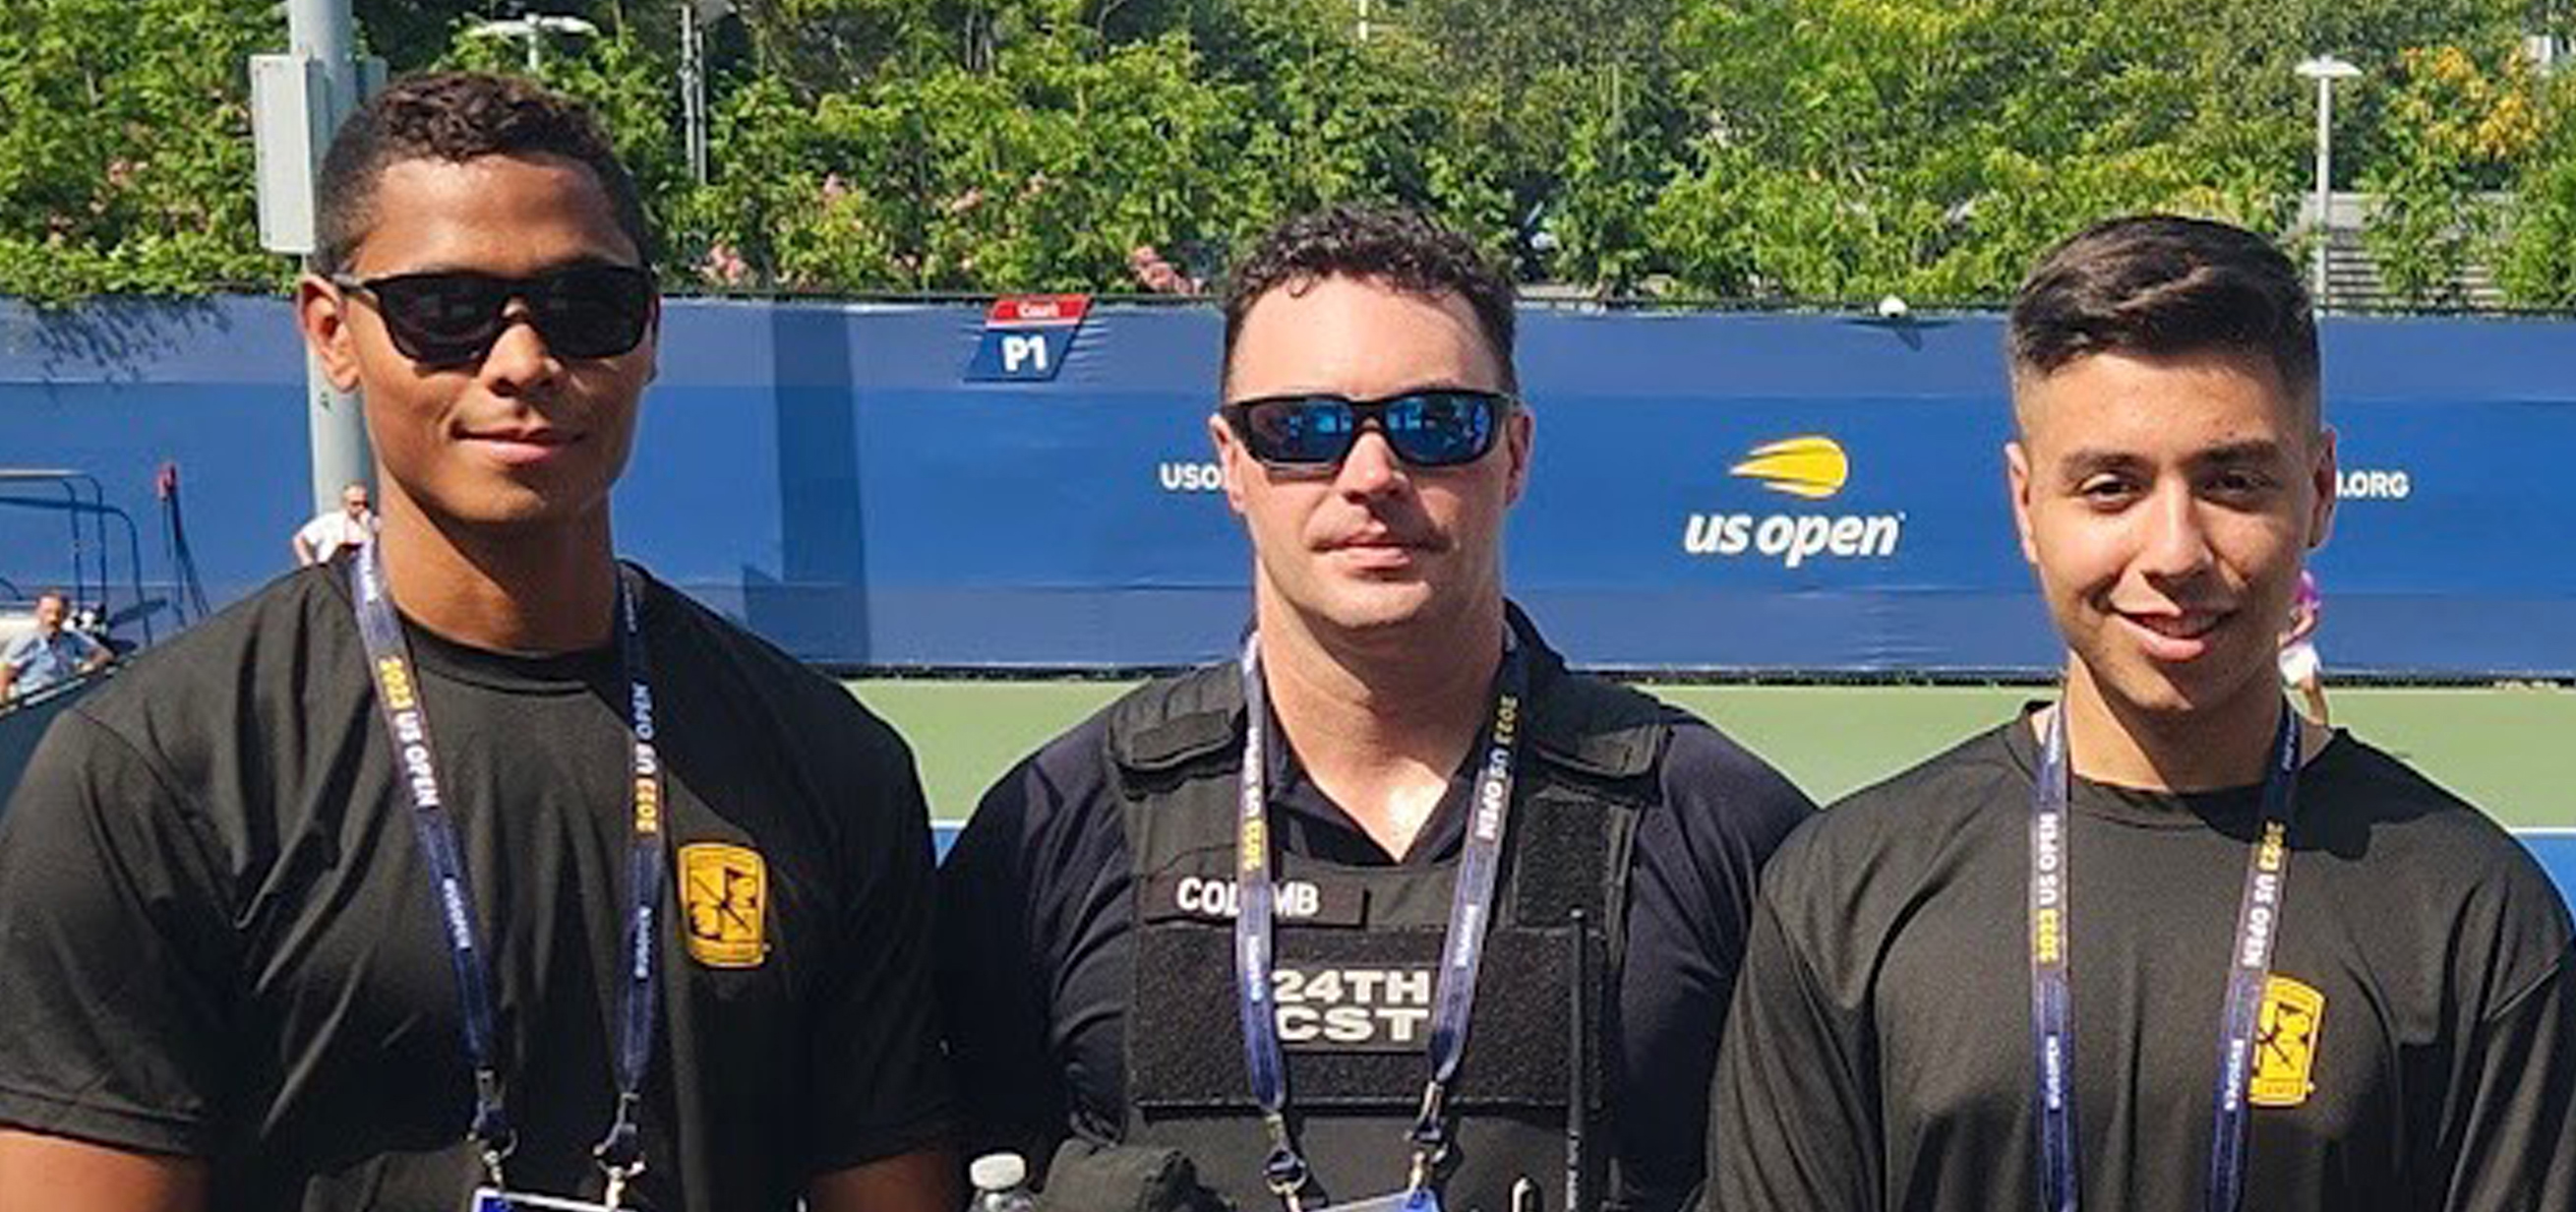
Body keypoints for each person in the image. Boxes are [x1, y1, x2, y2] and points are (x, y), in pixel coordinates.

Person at [0, 72, 955, 1212]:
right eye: (445, 308)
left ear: (650, 331)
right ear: (331, 331)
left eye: (585, 304)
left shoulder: (830, 763)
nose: (522, 360)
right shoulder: (159, 771)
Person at [938, 206, 1813, 1212]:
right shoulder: (1057, 831)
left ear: (1513, 452)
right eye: (1300, 429)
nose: (1371, 475)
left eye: (1436, 424)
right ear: (1230, 461)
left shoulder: (1712, 824)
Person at [1707, 214, 2575, 1210]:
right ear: (2026, 504)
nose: (2173, 551)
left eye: (2232, 482)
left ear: (2321, 490)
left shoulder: (2473, 918)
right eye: (2110, 486)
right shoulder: (1844, 893)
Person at [0, 590, 111, 703]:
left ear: (66, 615)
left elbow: (105, 654)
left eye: (59, 613)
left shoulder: (72, 637)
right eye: (48, 612)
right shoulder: (26, 642)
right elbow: (4, 675)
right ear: (38, 613)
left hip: (69, 701)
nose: (53, 618)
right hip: (38, 704)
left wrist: (91, 665)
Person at [2279, 569, 2328, 727]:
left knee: (2310, 686)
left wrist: (2290, 637)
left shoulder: (2303, 580)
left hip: (2293, 645)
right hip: (2261, 647)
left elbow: (2310, 619)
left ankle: (2321, 728)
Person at [292, 479, 379, 566]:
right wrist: (307, 561)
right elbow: (299, 538)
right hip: (331, 570)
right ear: (345, 504)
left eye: (365, 504)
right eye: (355, 504)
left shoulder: (372, 523)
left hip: (363, 572)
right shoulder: (330, 521)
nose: (361, 507)